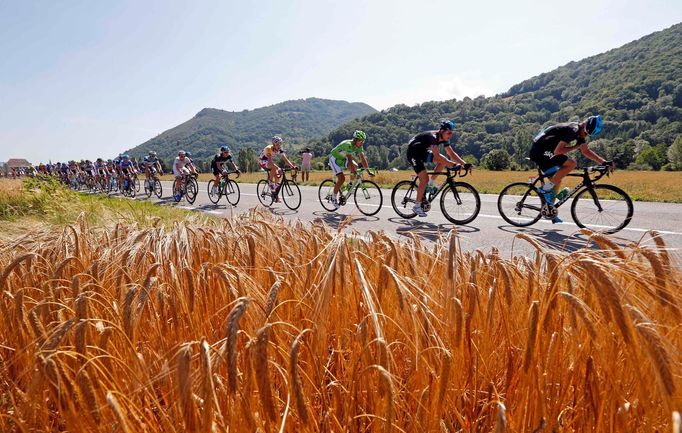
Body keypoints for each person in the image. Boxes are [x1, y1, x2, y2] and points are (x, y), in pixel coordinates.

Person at [529, 115, 610, 223]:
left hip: (547, 150)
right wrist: (575, 147)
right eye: (586, 133)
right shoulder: (572, 131)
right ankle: (544, 190)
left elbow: (586, 151)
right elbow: (558, 151)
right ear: (584, 126)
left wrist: (604, 162)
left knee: (557, 179)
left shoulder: (579, 131)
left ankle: (550, 211)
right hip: (540, 151)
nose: (585, 136)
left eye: (587, 135)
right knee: (571, 164)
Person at [405, 120, 466, 217]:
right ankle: (417, 206)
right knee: (424, 178)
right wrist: (453, 165)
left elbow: (451, 154)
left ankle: (430, 184)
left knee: (443, 161)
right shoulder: (432, 137)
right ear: (442, 131)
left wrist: (464, 164)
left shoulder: (445, 138)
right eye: (449, 133)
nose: (450, 135)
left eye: (451, 133)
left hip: (422, 151)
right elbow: (436, 156)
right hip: (413, 153)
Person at [328, 130, 373, 205]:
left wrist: (368, 171)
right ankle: (333, 197)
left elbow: (363, 158)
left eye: (363, 141)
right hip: (334, 159)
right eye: (360, 141)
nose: (362, 143)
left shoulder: (359, 146)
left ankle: (350, 184)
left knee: (355, 166)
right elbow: (349, 159)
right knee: (342, 178)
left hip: (342, 158)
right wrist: (355, 173)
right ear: (355, 140)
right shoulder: (348, 144)